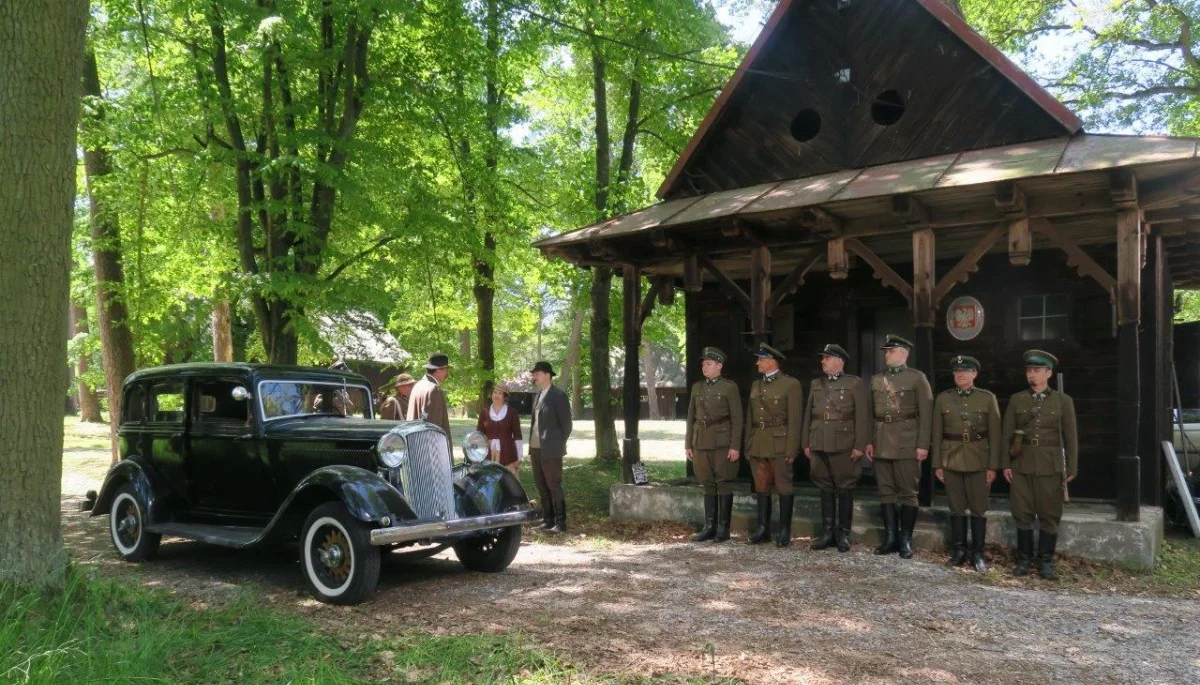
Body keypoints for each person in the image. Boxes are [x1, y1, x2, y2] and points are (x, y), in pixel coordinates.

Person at [1002, 349, 1078, 580]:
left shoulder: (1063, 401)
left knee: (1049, 514)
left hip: (1050, 464)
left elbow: (1070, 436)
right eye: (1028, 370)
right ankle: (1024, 560)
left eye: (1036, 370)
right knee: (1022, 512)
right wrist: (1005, 463)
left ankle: (1045, 562)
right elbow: (1007, 433)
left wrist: (1071, 467)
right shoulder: (1017, 399)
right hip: (1022, 463)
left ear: (1048, 373)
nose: (1031, 375)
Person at [932, 355, 1001, 571]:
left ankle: (978, 553)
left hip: (979, 460)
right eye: (956, 371)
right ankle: (959, 551)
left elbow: (995, 435)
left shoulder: (987, 398)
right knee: (956, 508)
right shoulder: (943, 399)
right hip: (951, 459)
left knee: (979, 509)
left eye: (965, 371)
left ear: (974, 374)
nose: (960, 374)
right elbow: (936, 434)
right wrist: (937, 464)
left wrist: (992, 466)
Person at [866, 334, 932, 559]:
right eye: (885, 351)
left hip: (907, 441)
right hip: (881, 439)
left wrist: (923, 444)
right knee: (885, 491)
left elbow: (926, 414)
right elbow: (869, 414)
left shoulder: (917, 378)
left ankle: (906, 540)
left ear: (904, 353)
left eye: (891, 351)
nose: (886, 354)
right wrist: (868, 441)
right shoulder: (876, 380)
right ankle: (891, 538)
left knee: (908, 492)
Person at [801, 343, 869, 553]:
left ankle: (843, 534)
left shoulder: (854, 383)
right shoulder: (816, 383)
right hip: (819, 441)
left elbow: (862, 416)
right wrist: (806, 441)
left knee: (845, 487)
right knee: (824, 486)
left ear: (839, 361)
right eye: (823, 358)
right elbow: (808, 414)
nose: (823, 361)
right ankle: (828, 532)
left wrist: (859, 445)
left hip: (843, 443)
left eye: (827, 358)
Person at [743, 343, 803, 547]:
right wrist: (748, 445)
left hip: (780, 443)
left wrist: (792, 448)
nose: (757, 362)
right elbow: (750, 418)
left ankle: (785, 531)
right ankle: (763, 529)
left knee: (784, 487)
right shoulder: (756, 385)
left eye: (761, 359)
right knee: (761, 487)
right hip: (758, 442)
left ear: (772, 361)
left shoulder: (790, 384)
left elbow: (795, 419)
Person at [684, 346, 743, 543]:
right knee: (707, 482)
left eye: (708, 364)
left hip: (722, 442)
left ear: (719, 365)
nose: (704, 367)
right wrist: (688, 444)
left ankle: (723, 529)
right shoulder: (697, 387)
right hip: (700, 441)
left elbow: (737, 418)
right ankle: (709, 526)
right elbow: (690, 417)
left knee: (723, 482)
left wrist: (735, 446)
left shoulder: (729, 387)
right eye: (703, 364)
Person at [529, 361, 572, 533]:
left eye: (537, 373)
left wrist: (556, 444)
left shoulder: (559, 396)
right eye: (534, 374)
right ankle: (548, 520)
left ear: (548, 375)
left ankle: (560, 523)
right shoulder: (538, 395)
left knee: (553, 484)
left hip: (551, 449)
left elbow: (567, 426)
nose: (535, 377)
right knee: (541, 485)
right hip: (535, 448)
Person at [408, 353, 453, 454]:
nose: (447, 373)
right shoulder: (434, 389)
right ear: (438, 370)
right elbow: (433, 427)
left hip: (414, 447)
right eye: (446, 370)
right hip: (430, 454)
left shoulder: (418, 385)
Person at [476, 382, 524, 476]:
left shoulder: (512, 413)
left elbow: (518, 436)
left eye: (500, 393)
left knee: (507, 482)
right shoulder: (484, 412)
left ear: (505, 397)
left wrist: (519, 457)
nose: (496, 395)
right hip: (489, 453)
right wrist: (477, 454)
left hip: (508, 453)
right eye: (495, 392)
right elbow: (479, 435)